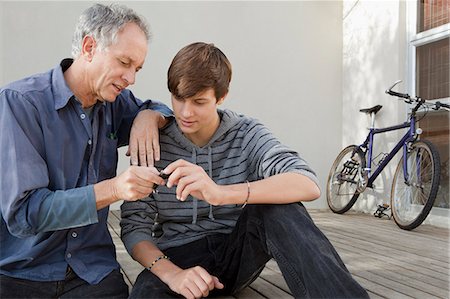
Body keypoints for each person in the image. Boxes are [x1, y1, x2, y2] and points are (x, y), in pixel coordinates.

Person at [120, 42, 369, 298]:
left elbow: (307, 183)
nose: (185, 112)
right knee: (145, 294)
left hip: (236, 252)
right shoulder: (152, 141)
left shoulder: (246, 132)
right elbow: (134, 228)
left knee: (278, 206)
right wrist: (172, 274)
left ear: (221, 97)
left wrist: (220, 193)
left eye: (199, 102)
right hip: (176, 257)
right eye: (178, 99)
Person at [0, 4, 172, 298]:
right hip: (21, 272)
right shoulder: (20, 103)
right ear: (89, 47)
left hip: (92, 274)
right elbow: (25, 212)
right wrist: (115, 189)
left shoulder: (116, 102)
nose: (131, 78)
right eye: (124, 62)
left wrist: (150, 116)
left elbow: (158, 108)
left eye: (137, 68)